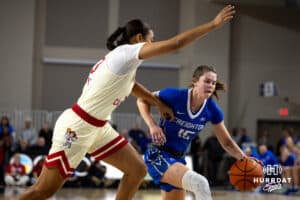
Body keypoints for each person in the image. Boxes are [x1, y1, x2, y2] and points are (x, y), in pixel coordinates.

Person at [20, 5, 235, 200]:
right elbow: (176, 43)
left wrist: (156, 102)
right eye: (151, 40)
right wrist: (213, 25)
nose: (153, 44)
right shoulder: (126, 53)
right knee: (43, 191)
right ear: (138, 38)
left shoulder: (124, 63)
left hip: (99, 127)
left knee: (137, 169)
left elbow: (131, 85)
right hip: (77, 126)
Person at [137, 65, 249, 200]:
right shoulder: (175, 96)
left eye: (213, 83)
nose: (211, 85)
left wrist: (245, 160)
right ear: (195, 81)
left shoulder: (212, 110)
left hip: (178, 159)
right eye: (207, 81)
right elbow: (142, 99)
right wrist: (152, 125)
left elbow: (226, 142)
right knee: (200, 183)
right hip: (158, 155)